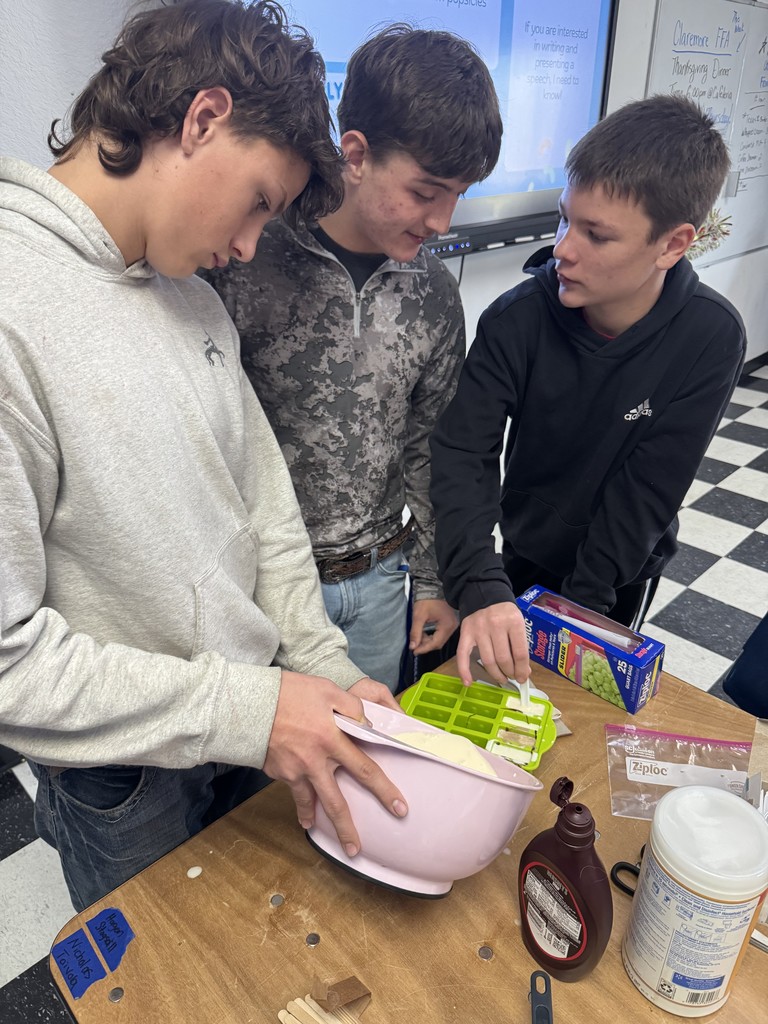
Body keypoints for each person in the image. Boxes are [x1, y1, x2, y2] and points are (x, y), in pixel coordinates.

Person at [0, 0, 409, 913]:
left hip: (250, 720)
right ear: (202, 119)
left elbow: (262, 508)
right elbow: (7, 662)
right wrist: (254, 713)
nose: (248, 245)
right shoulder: (12, 305)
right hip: (129, 776)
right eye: (259, 200)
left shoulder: (189, 293)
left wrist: (326, 670)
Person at [203, 25, 502, 691]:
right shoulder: (243, 257)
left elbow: (431, 446)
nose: (443, 221)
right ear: (356, 152)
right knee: (255, 790)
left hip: (377, 584)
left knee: (364, 766)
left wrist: (432, 580)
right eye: (426, 192)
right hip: (256, 587)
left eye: (459, 194)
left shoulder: (432, 294)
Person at [429, 95, 746, 688]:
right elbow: (464, 454)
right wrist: (479, 581)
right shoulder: (516, 319)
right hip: (520, 542)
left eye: (596, 235)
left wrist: (577, 618)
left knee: (570, 704)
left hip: (616, 570)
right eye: (564, 219)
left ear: (673, 244)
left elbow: (646, 495)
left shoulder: (710, 336)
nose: (565, 249)